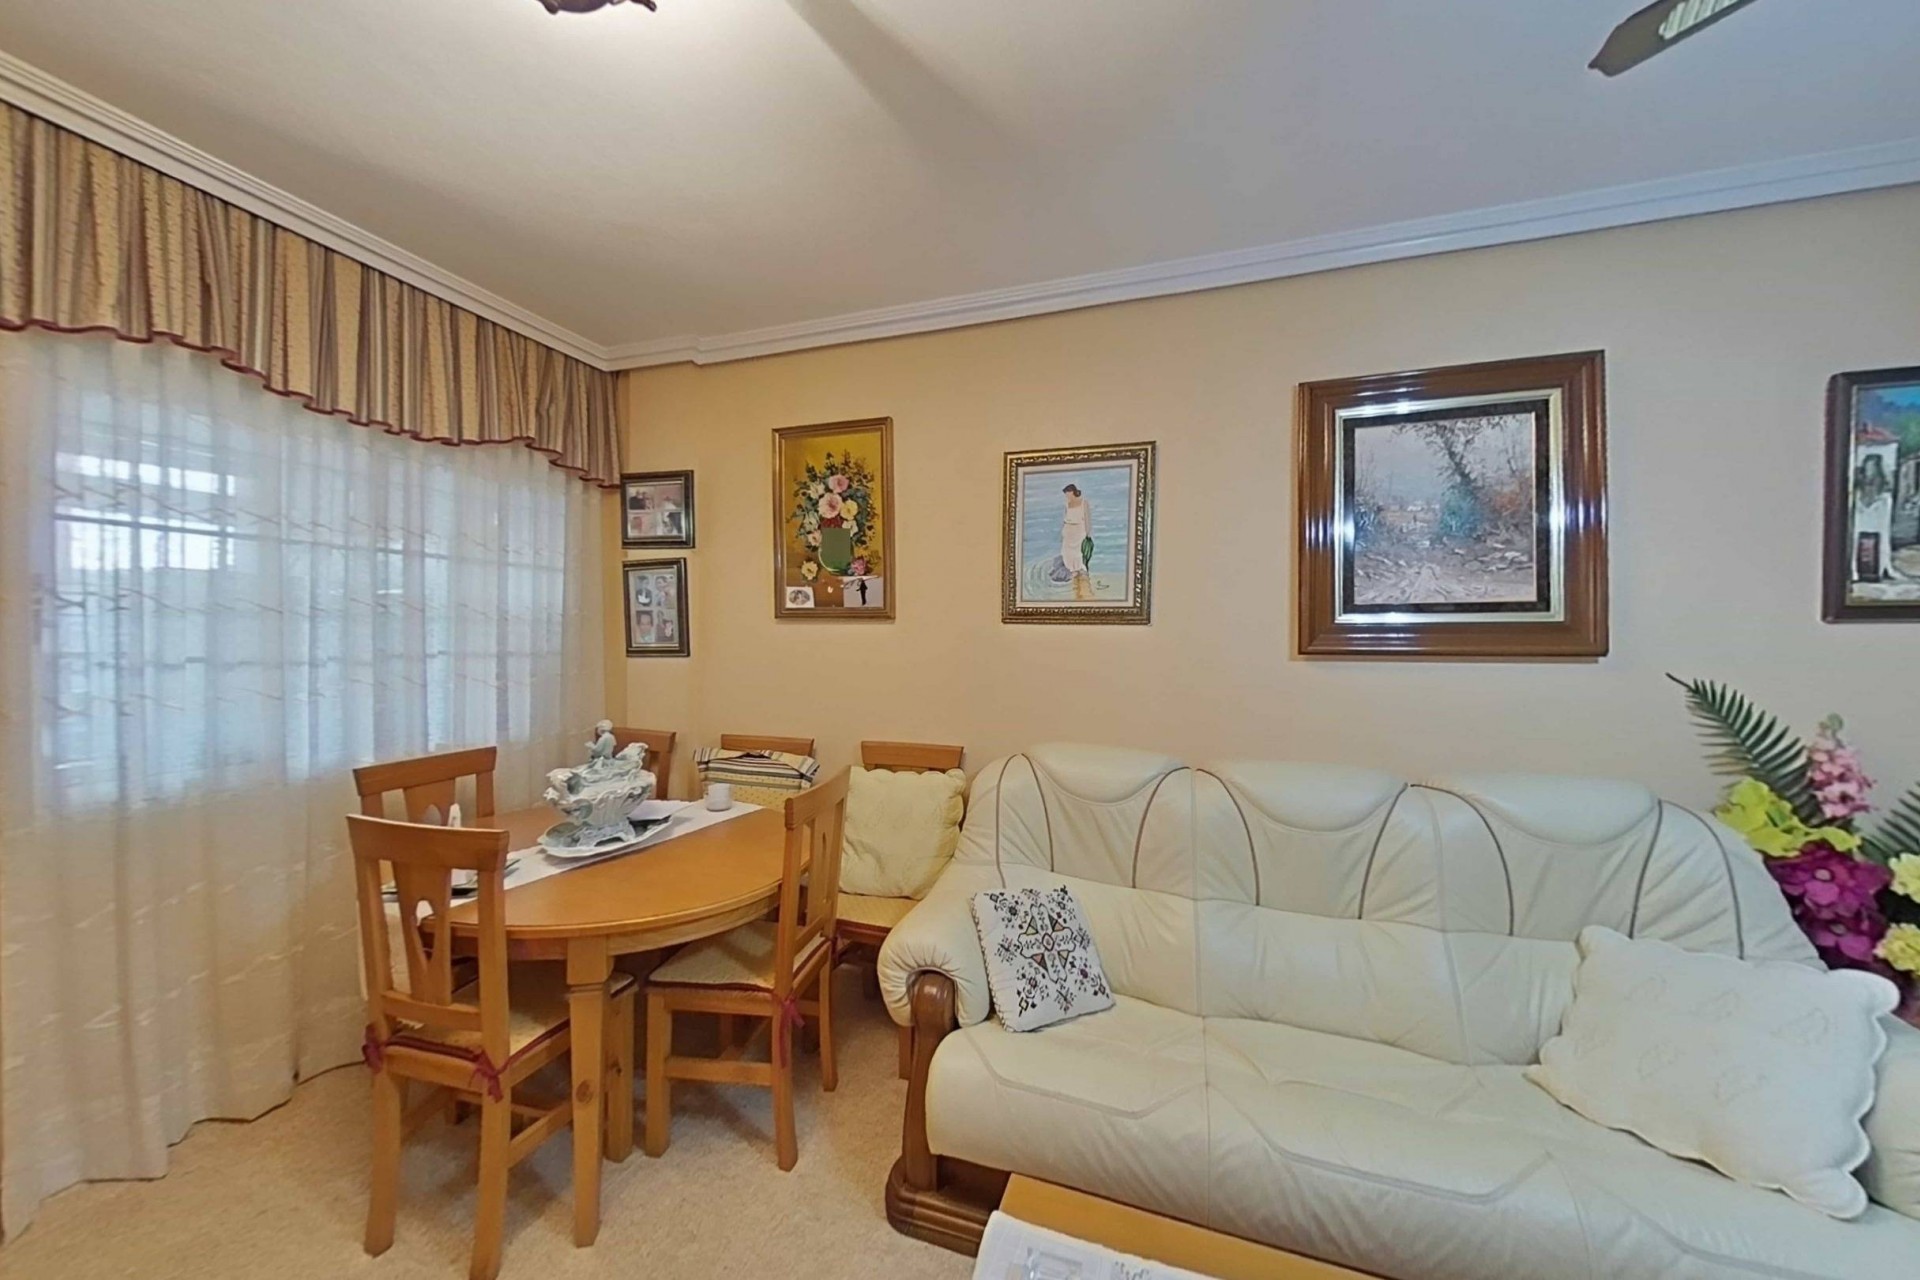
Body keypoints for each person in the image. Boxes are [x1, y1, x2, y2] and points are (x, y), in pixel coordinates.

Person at [1060, 483, 1093, 601]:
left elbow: (1087, 518)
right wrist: (1063, 532)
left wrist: (1088, 533)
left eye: (1067, 494)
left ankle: (1082, 574)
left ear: (1072, 492)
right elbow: (1064, 519)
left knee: (1078, 553)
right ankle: (1073, 573)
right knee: (1066, 553)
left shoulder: (1084, 503)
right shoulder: (1067, 504)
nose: (1067, 496)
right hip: (1069, 531)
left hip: (1079, 531)